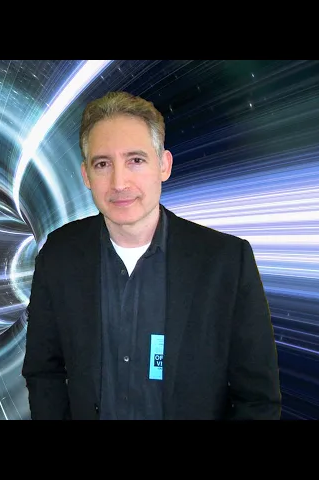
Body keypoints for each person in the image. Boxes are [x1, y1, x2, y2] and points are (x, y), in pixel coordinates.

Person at [21, 91, 281, 420]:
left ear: (164, 165)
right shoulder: (58, 254)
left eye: (136, 160)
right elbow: (44, 372)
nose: (119, 182)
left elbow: (258, 399)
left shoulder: (227, 261)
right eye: (103, 164)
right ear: (86, 175)